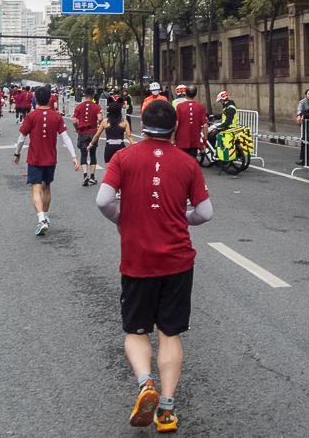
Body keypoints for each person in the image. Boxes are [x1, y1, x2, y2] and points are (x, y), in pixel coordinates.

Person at [95, 98, 213, 432]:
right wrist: (184, 217)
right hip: (178, 261)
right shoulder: (188, 163)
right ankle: (167, 409)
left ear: (142, 125)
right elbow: (205, 213)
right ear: (175, 127)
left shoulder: (123, 157)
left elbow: (103, 200)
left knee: (136, 330)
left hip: (137, 259)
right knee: (170, 333)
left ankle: (146, 382)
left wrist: (123, 219)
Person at [15, 85, 80, 236]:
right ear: (50, 99)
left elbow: (21, 139)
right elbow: (66, 137)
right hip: (51, 159)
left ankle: (41, 220)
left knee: (36, 190)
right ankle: (44, 216)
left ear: (36, 99)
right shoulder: (57, 117)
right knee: (47, 188)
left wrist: (17, 153)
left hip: (34, 158)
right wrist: (74, 156)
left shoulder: (31, 116)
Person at [73, 88, 103, 186]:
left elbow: (74, 121)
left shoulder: (79, 107)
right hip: (93, 132)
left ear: (84, 95)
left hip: (82, 132)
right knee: (93, 154)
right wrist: (98, 126)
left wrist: (77, 128)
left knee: (83, 154)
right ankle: (93, 177)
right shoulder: (97, 106)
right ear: (93, 95)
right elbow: (100, 118)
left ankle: (85, 175)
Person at [92, 100, 136, 167]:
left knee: (109, 170)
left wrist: (91, 144)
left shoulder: (105, 122)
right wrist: (133, 145)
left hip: (109, 147)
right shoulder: (124, 122)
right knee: (121, 169)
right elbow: (129, 135)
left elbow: (97, 135)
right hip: (120, 147)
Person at [174, 85, 208, 164]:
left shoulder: (179, 107)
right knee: (192, 160)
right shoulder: (201, 107)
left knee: (181, 161)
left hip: (181, 139)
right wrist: (204, 141)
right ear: (196, 94)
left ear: (185, 94)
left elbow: (176, 123)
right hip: (195, 139)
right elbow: (205, 125)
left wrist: (172, 137)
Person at [294, 88, 309, 165]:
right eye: (308, 94)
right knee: (304, 139)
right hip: (305, 123)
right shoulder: (302, 102)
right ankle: (304, 158)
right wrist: (299, 116)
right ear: (306, 94)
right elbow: (299, 110)